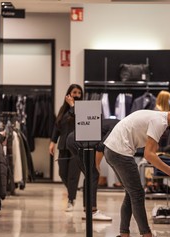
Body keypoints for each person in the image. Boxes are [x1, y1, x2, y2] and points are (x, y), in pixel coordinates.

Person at [104, 104, 170, 237]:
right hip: (119, 152)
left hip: (112, 149)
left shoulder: (158, 118)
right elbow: (149, 155)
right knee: (138, 193)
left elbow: (150, 150)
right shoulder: (160, 122)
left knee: (131, 193)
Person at [66, 118, 120, 221]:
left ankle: (88, 210)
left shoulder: (115, 123)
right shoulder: (117, 126)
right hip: (78, 142)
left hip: (74, 139)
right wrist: (97, 164)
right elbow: (101, 146)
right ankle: (92, 211)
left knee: (90, 174)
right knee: (93, 174)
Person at [49, 84, 83, 212]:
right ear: (68, 94)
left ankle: (71, 199)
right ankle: (72, 193)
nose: (77, 95)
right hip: (63, 145)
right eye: (74, 92)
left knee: (73, 175)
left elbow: (79, 121)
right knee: (62, 173)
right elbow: (57, 126)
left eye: (79, 93)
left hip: (76, 147)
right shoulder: (62, 110)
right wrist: (52, 141)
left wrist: (73, 106)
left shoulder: (81, 110)